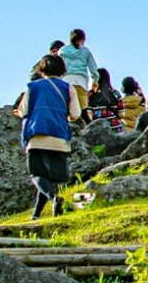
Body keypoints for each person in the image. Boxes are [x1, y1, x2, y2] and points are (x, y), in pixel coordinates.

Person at [15, 53, 80, 220]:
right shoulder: (68, 88)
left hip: (37, 136)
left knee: (37, 174)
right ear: (62, 69)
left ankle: (53, 198)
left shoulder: (33, 87)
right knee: (50, 179)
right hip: (59, 137)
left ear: (42, 68)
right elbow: (75, 114)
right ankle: (36, 215)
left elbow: (23, 111)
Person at [60, 29, 99, 116]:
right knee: (82, 110)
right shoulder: (86, 51)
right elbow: (93, 69)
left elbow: (58, 66)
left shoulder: (63, 50)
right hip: (81, 82)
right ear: (82, 39)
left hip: (65, 81)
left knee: (66, 108)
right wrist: (95, 81)